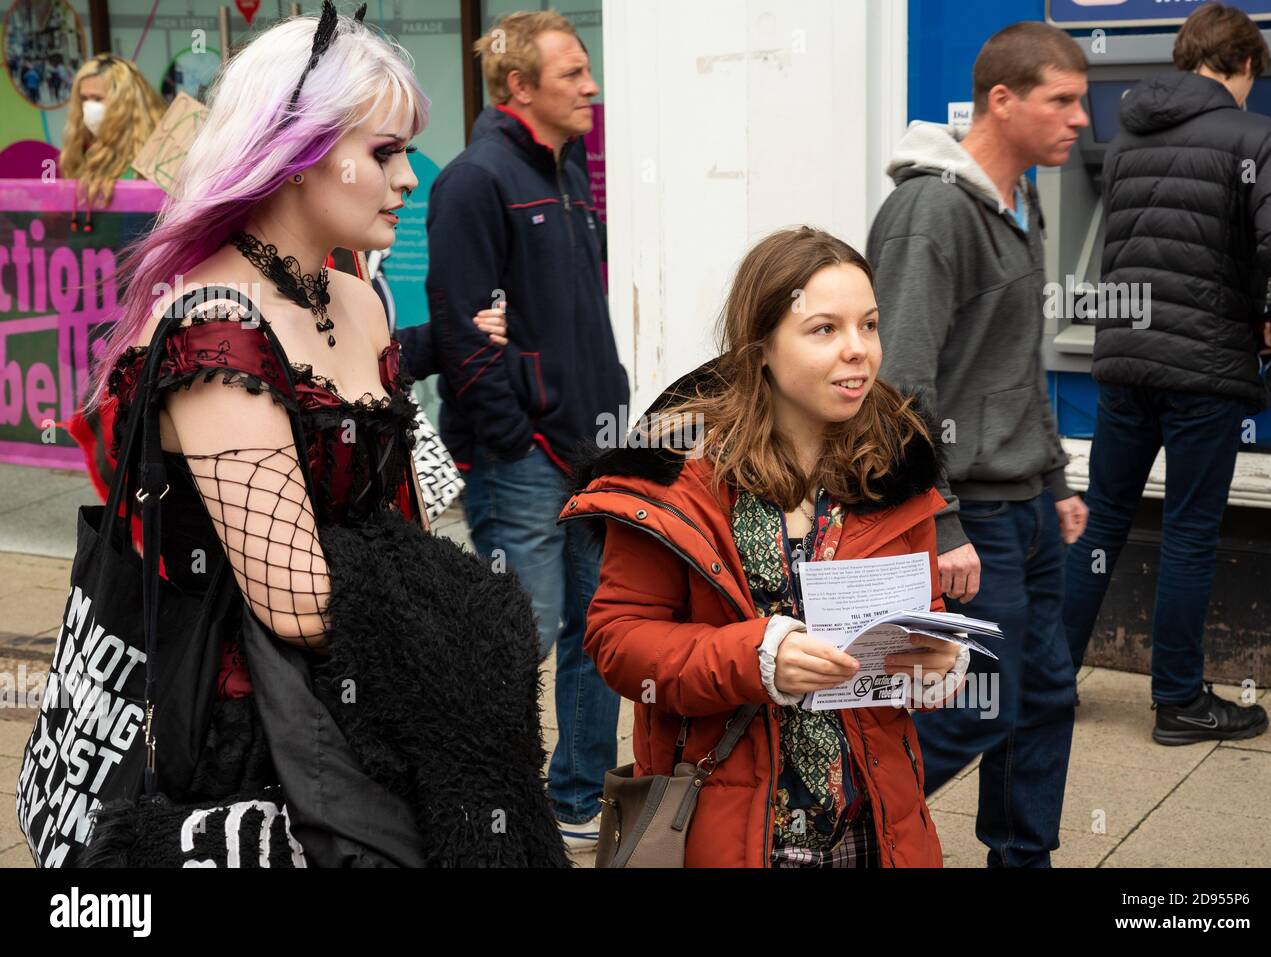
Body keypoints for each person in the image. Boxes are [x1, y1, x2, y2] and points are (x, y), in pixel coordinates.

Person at [75, 4, 567, 868]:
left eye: (407, 149)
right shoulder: (214, 324)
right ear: (297, 157)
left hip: (377, 704)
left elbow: (392, 521)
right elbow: (295, 598)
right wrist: (476, 613)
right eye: (383, 153)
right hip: (256, 744)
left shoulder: (359, 297)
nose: (411, 177)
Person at [565, 227, 969, 867]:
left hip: (871, 828)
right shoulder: (678, 477)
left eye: (869, 325)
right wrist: (756, 658)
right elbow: (619, 643)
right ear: (761, 348)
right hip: (728, 826)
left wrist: (935, 662)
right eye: (824, 330)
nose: (858, 351)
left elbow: (922, 616)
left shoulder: (896, 469)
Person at [398, 10, 628, 851]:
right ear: (519, 85)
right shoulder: (473, 181)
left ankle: (575, 802)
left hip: (593, 449)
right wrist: (514, 437)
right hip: (524, 456)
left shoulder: (569, 173)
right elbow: (464, 334)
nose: (591, 86)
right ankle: (484, 811)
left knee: (600, 633)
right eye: (573, 73)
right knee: (515, 643)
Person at [866, 21, 1090, 867]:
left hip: (1027, 504)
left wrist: (1057, 477)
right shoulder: (931, 210)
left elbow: (1014, 365)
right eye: (1061, 100)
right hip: (971, 517)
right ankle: (832, 825)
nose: (1079, 119)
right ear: (1003, 100)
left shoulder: (1013, 202)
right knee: (975, 708)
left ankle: (1021, 860)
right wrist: (940, 518)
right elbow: (900, 385)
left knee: (1044, 698)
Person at [1063, 3, 1271, 744]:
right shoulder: (1260, 134)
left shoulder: (1128, 136)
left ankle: (1048, 680)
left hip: (1125, 362)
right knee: (1190, 533)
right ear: (1246, 67)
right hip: (1203, 367)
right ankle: (1179, 702)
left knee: (1103, 520)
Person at [58, 54, 165, 227]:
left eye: (98, 98)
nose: (88, 107)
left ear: (126, 102)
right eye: (84, 99)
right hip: (92, 250)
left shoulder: (158, 154)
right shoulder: (83, 151)